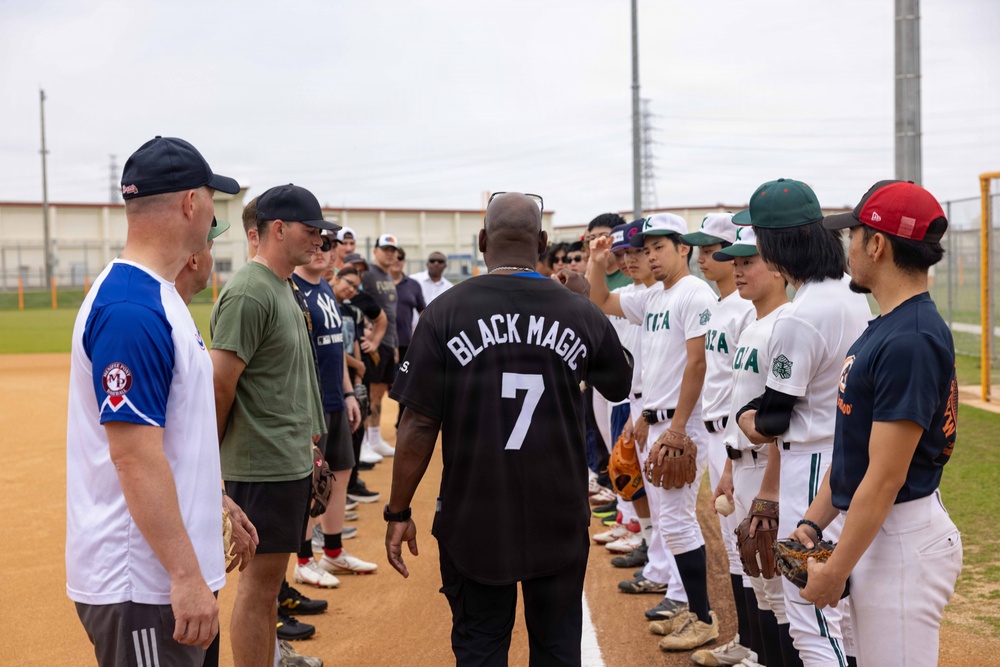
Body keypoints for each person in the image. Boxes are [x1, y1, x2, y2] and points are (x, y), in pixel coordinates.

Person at [385, 192, 632, 666]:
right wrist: (586, 305)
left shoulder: (445, 311)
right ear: (541, 243)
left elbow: (417, 424)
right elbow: (619, 382)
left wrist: (398, 512)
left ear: (482, 242)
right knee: (558, 649)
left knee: (480, 647)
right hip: (558, 511)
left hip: (473, 513)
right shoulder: (577, 310)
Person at [66, 136, 246, 667]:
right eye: (213, 199)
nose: (215, 211)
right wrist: (186, 577)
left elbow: (173, 435)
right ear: (192, 202)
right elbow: (133, 456)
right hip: (144, 584)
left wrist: (214, 500)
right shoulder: (130, 308)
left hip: (164, 574)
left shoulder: (158, 295)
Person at [788, 181, 962, 666]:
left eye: (854, 235)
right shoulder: (889, 325)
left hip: (902, 538)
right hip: (879, 533)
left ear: (878, 244)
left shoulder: (910, 338)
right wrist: (812, 521)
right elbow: (856, 454)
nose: (849, 247)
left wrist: (836, 566)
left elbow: (886, 475)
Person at [733, 178, 871, 667]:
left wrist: (746, 417)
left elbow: (771, 419)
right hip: (852, 459)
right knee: (847, 615)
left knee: (810, 614)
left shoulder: (801, 314)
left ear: (774, 246)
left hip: (813, 466)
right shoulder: (850, 293)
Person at [210, 183, 334, 666]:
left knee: (266, 593)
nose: (320, 241)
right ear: (277, 228)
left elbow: (285, 380)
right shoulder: (247, 291)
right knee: (258, 592)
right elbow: (220, 385)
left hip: (283, 460)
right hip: (258, 466)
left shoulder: (281, 286)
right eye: (312, 230)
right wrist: (213, 466)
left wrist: (308, 443)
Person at [586, 213, 720, 652]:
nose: (649, 256)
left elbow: (697, 363)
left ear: (683, 248)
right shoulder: (655, 296)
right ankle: (683, 601)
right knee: (668, 519)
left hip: (681, 424)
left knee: (678, 520)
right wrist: (596, 258)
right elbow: (599, 299)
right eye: (645, 249)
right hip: (656, 418)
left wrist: (678, 428)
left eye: (658, 247)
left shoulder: (694, 293)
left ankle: (699, 614)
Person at [679, 213, 758, 666]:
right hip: (717, 438)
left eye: (716, 249)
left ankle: (758, 648)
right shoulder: (718, 305)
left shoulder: (746, 308)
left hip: (738, 441)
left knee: (749, 549)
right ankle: (745, 641)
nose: (707, 257)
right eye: (704, 250)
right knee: (731, 549)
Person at [711, 226, 791, 667]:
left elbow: (783, 422)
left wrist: (770, 492)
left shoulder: (785, 325)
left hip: (767, 472)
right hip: (743, 468)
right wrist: (728, 469)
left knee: (780, 594)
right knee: (758, 584)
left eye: (748, 262)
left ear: (778, 268)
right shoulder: (754, 324)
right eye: (736, 262)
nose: (737, 270)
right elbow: (740, 411)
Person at [291, 234, 372, 587]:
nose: (325, 251)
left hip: (334, 398)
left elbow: (336, 348)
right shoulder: (293, 290)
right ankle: (304, 559)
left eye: (329, 246)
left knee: (340, 472)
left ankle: (334, 553)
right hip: (310, 403)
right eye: (318, 244)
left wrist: (348, 393)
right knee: (314, 483)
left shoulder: (324, 289)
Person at [361, 233, 401, 459]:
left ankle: (375, 439)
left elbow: (391, 315)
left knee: (379, 394)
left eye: (392, 250)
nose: (389, 253)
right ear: (375, 251)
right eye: (385, 249)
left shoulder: (387, 276)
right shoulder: (368, 274)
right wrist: (369, 332)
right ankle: (366, 440)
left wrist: (394, 344)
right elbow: (361, 303)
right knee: (371, 394)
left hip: (388, 342)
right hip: (376, 343)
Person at [390, 247, 426, 429]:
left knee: (405, 384)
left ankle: (401, 421)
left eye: (401, 257)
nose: (397, 260)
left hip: (406, 343)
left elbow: (423, 311)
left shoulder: (412, 285)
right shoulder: (378, 282)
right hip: (383, 343)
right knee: (377, 389)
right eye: (393, 257)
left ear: (404, 261)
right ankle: (371, 435)